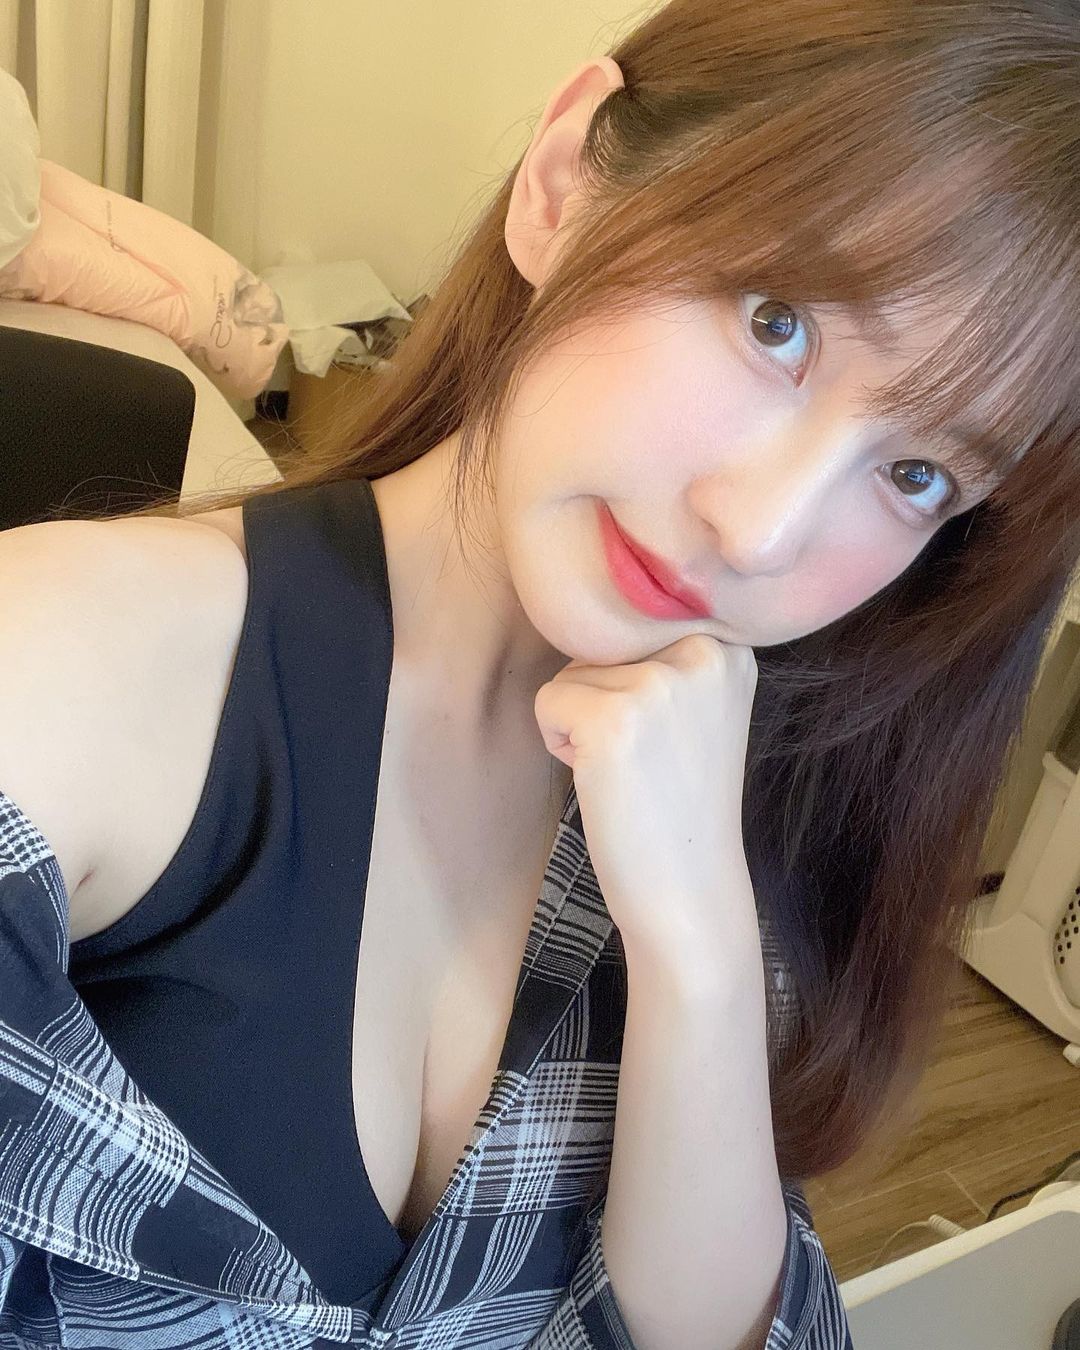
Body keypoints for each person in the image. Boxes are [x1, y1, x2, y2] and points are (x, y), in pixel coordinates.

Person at [2, 1, 1078, 1346]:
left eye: (917, 473)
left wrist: (699, 956)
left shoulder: (729, 776)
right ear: (565, 181)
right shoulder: (76, 658)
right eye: (778, 322)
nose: (761, 531)